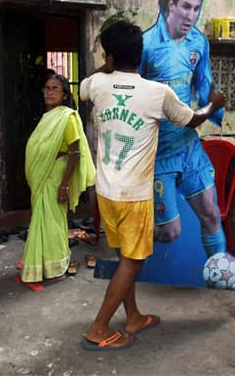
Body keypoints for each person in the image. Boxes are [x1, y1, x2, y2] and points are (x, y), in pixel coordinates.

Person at [80, 20, 226, 350]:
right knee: (133, 262)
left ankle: (132, 317)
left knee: (123, 259)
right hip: (134, 195)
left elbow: (86, 85)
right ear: (142, 53)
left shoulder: (98, 85)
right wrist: (214, 104)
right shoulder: (157, 93)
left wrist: (110, 63)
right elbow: (192, 119)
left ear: (109, 55)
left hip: (105, 190)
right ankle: (98, 328)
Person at [139, 0, 230, 255]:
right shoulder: (146, 45)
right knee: (169, 233)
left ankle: (220, 275)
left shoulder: (198, 43)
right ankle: (129, 229)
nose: (192, 15)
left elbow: (204, 87)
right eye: (186, 7)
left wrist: (218, 109)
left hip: (189, 147)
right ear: (171, 5)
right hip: (157, 154)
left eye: (197, 8)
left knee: (211, 214)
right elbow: (130, 98)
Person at [20, 74, 95, 284]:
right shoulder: (47, 117)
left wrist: (64, 185)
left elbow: (75, 152)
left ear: (64, 95)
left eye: (55, 88)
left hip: (56, 176)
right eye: (46, 88)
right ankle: (43, 266)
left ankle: (56, 267)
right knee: (41, 220)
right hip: (43, 175)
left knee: (52, 222)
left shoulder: (68, 117)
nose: (49, 92)